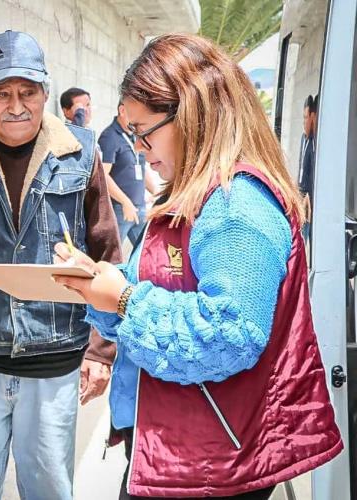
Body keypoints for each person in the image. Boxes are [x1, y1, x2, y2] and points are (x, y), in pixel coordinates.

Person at [53, 33, 342, 499]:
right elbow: (170, 283)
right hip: (189, 446)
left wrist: (123, 299)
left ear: (190, 112)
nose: (140, 147)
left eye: (144, 130)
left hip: (212, 463)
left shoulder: (235, 206)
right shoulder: (201, 192)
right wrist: (100, 284)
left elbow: (228, 336)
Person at [0, 30, 120, 500]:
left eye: (28, 92)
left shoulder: (80, 151)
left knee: (50, 489)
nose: (16, 105)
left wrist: (99, 351)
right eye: (1, 94)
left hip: (56, 358)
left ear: (45, 92)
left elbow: (108, 255)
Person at [99, 100, 159, 245]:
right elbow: (103, 176)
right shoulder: (109, 136)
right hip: (120, 209)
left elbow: (140, 168)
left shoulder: (134, 135)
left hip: (140, 206)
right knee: (112, 255)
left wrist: (157, 192)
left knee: (145, 252)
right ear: (122, 110)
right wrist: (125, 203)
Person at [298, 94, 318, 242]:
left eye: (307, 118)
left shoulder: (314, 142)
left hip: (310, 201)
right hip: (302, 197)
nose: (305, 122)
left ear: (313, 116)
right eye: (303, 118)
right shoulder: (304, 140)